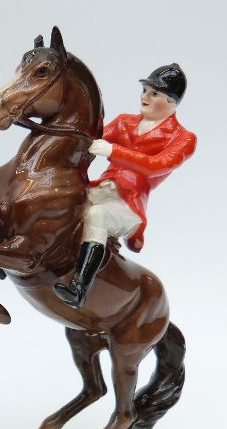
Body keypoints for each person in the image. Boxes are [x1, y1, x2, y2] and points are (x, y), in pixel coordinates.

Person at [53, 63, 197, 308]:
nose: (145, 97)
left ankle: (78, 289)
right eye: (145, 90)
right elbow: (90, 138)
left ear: (172, 102)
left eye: (154, 93)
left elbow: (155, 165)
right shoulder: (123, 122)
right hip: (101, 189)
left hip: (129, 205)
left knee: (97, 215)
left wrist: (113, 151)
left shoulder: (183, 139)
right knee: (57, 197)